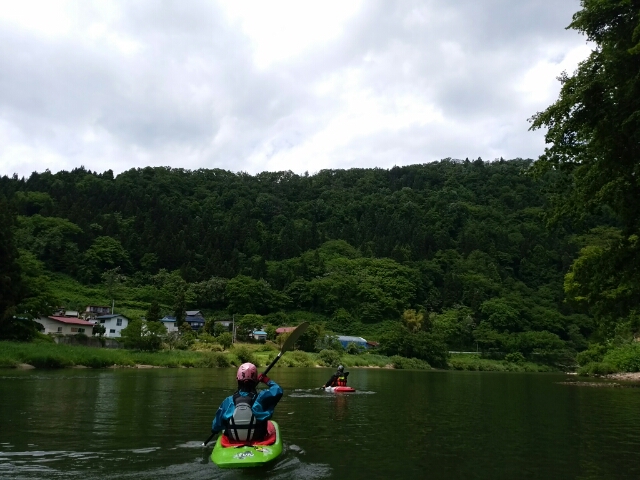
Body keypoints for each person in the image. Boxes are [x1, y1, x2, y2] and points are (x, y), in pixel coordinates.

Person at [211, 362, 283, 442]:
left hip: (233, 440)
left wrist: (216, 430)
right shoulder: (261, 398)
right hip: (257, 439)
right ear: (255, 380)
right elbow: (278, 391)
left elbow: (215, 427)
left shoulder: (228, 401)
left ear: (237, 380)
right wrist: (266, 380)